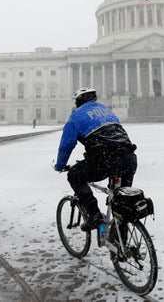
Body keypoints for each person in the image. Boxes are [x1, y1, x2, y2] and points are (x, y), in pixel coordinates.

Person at [54, 87, 138, 231]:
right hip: (129, 159)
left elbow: (66, 145)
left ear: (78, 101)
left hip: (105, 161)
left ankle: (94, 215)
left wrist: (60, 165)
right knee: (122, 204)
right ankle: (122, 243)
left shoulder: (76, 116)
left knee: (75, 175)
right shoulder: (107, 111)